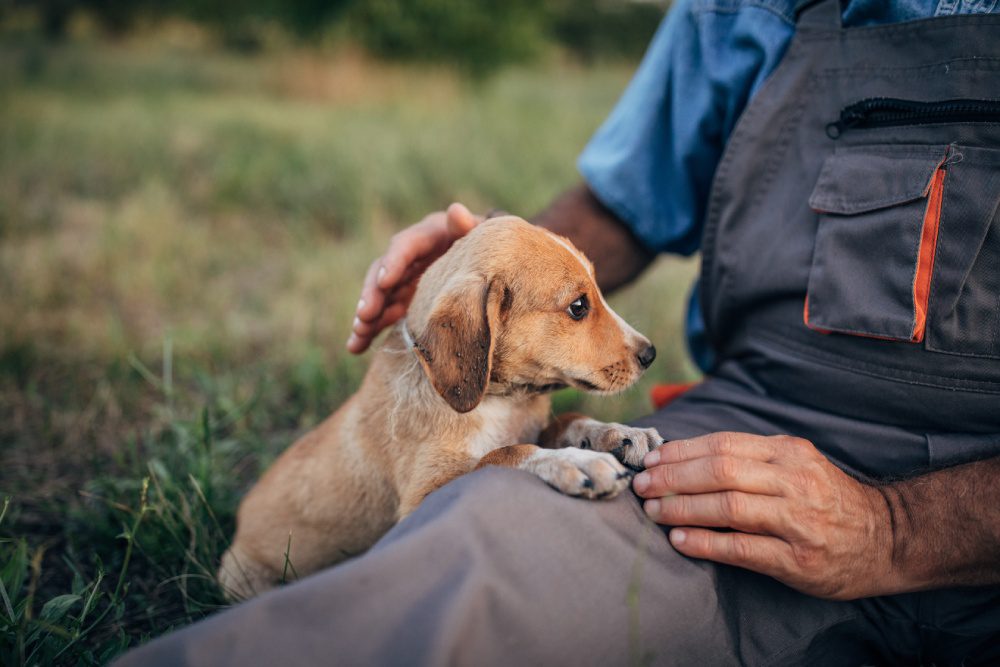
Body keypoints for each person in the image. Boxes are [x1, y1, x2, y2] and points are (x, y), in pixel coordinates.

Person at [118, 0, 1000, 664]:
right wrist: (471, 258)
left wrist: (894, 528)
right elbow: (622, 204)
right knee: (467, 559)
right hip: (752, 437)